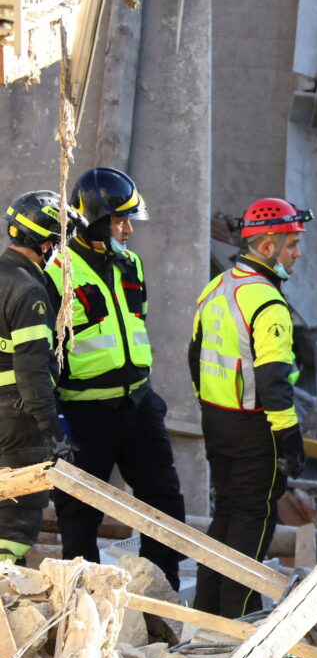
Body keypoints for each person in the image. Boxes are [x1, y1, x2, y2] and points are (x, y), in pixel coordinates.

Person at [45, 168, 184, 589]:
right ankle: (83, 606)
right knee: (79, 513)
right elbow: (43, 352)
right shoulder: (57, 271)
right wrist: (55, 420)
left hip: (139, 406)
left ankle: (163, 597)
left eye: (129, 219)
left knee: (164, 504)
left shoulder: (131, 264)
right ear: (92, 220)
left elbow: (134, 328)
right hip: (85, 413)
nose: (128, 230)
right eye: (119, 220)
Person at [189, 198, 311, 617]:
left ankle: (209, 610)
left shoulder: (218, 287)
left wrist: (212, 407)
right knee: (253, 521)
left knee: (226, 513)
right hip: (254, 427)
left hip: (218, 419)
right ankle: (239, 619)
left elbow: (195, 356)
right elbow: (275, 380)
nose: (298, 253)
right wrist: (288, 437)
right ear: (266, 247)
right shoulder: (267, 303)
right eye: (292, 245)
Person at [0, 192, 76, 564]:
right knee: (16, 519)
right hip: (16, 422)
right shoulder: (30, 291)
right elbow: (32, 369)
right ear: (47, 244)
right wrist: (52, 429)